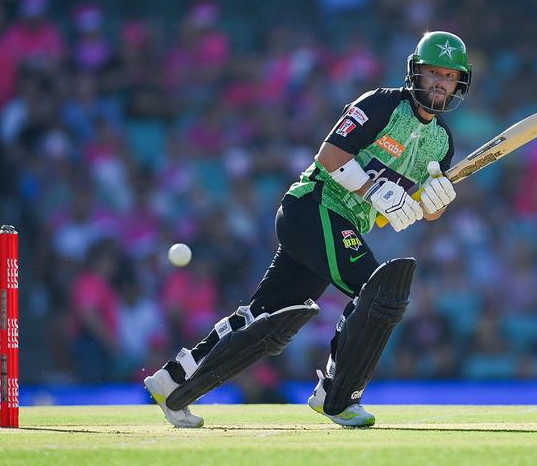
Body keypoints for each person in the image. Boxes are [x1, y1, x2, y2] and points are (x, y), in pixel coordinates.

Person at [144, 31, 472, 428]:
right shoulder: (383, 104)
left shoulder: (442, 142)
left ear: (459, 83)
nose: (439, 82)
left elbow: (418, 207)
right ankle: (337, 397)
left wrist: (434, 202)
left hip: (337, 225)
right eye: (432, 72)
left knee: (268, 318)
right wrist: (375, 190)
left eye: (449, 76)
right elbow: (330, 154)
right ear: (415, 73)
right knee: (379, 290)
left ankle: (173, 381)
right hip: (313, 206)